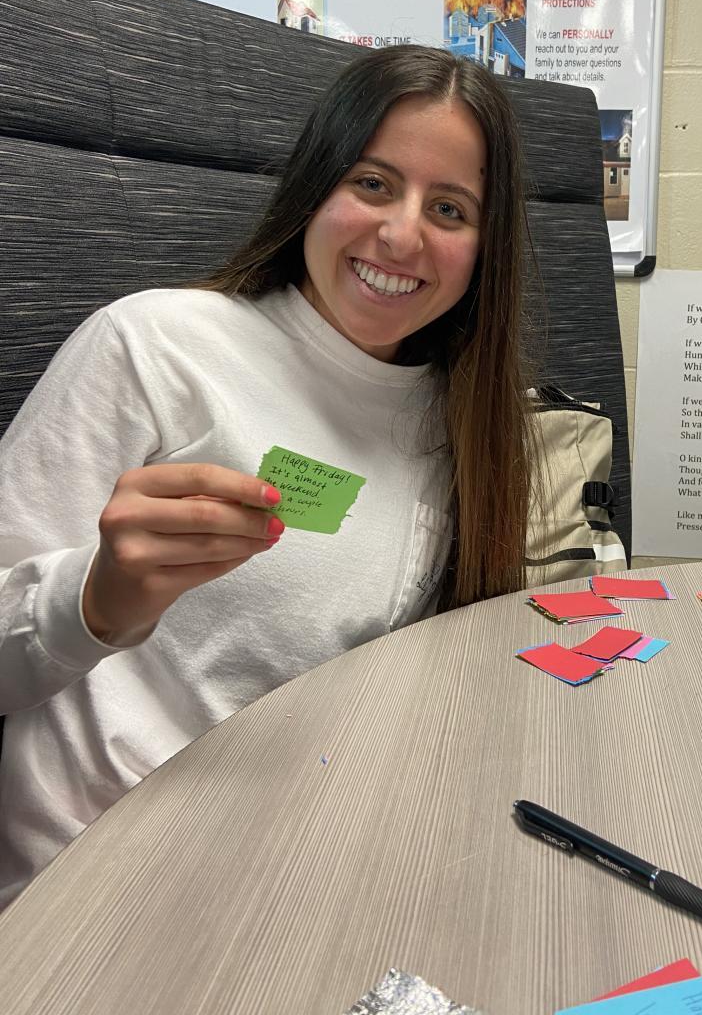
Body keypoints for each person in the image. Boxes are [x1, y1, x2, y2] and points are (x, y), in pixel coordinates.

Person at [0, 44, 533, 910]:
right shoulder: (152, 345)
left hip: (301, 863)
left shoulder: (460, 420)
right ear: (315, 186)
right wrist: (93, 600)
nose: (402, 236)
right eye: (372, 184)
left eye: (449, 208)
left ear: (486, 246)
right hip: (93, 883)